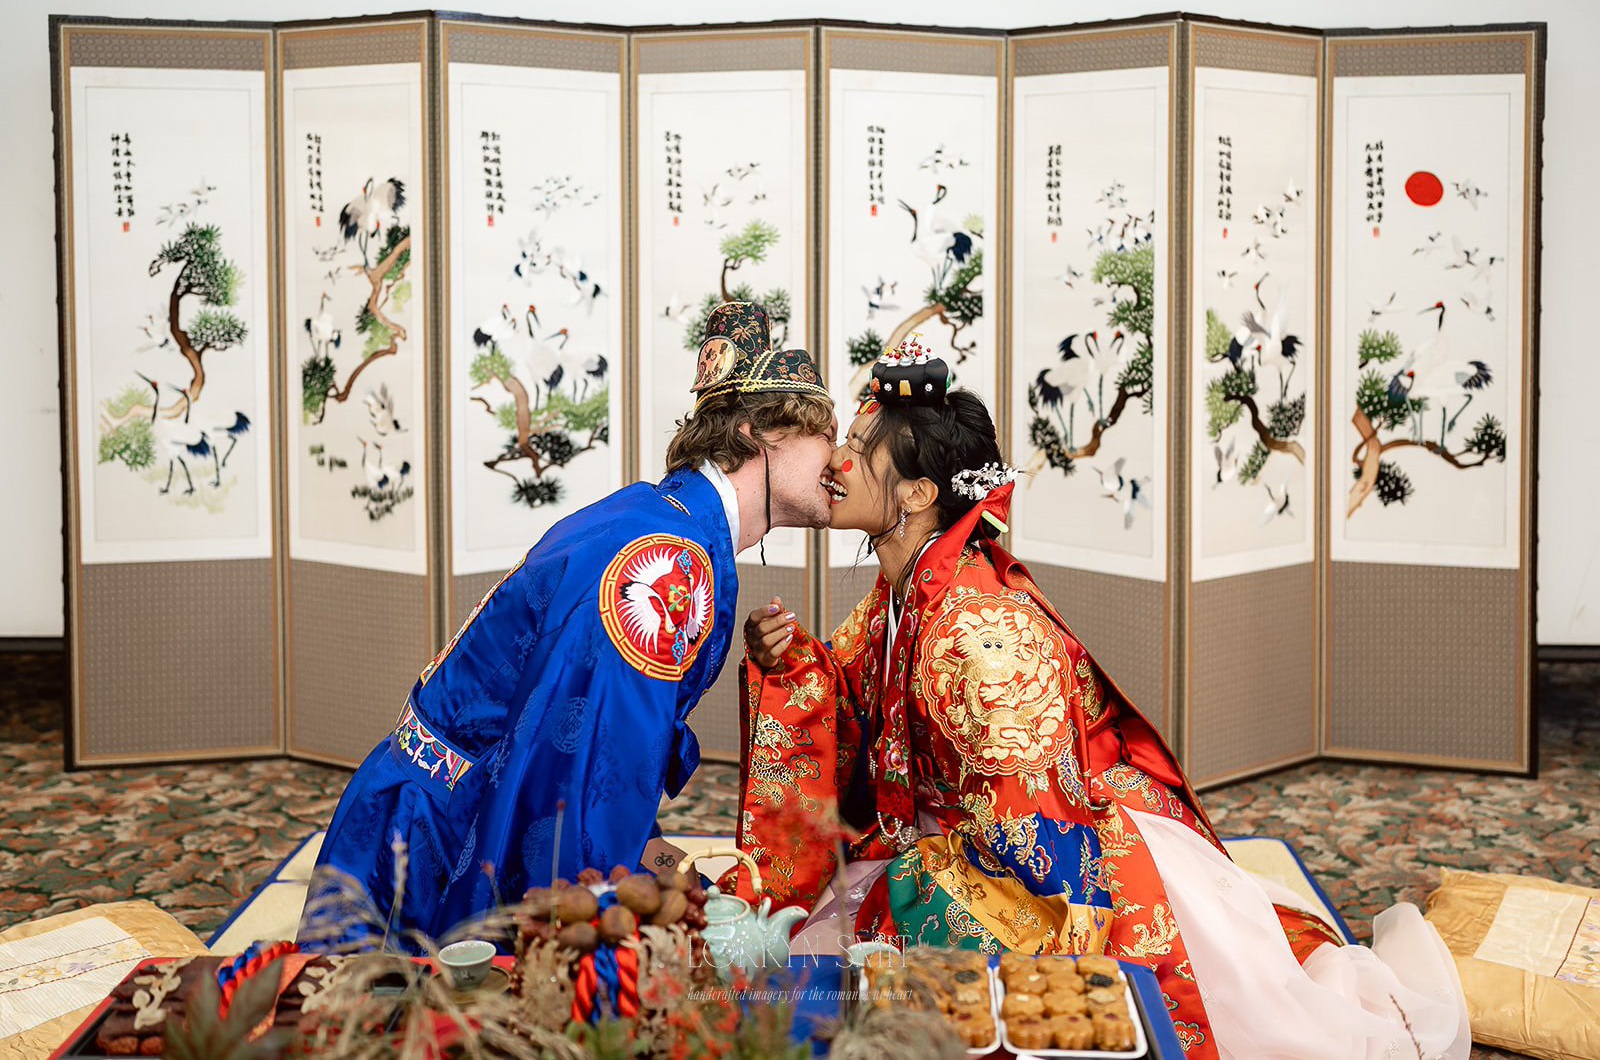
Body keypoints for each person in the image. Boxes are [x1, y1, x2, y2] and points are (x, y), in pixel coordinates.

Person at [734, 334, 1469, 1059]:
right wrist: (795, 663)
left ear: (920, 494)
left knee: (864, 982)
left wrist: (914, 883)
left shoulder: (983, 637)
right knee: (828, 963)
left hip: (1063, 855)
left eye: (861, 449)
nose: (836, 461)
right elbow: (857, 699)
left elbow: (1038, 846)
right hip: (961, 833)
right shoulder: (909, 590)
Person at [303, 301, 836, 948]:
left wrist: (674, 868)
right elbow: (582, 793)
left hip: (432, 805)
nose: (836, 462)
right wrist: (617, 916)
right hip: (436, 841)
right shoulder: (666, 559)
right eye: (824, 434)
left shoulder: (660, 516)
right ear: (761, 434)